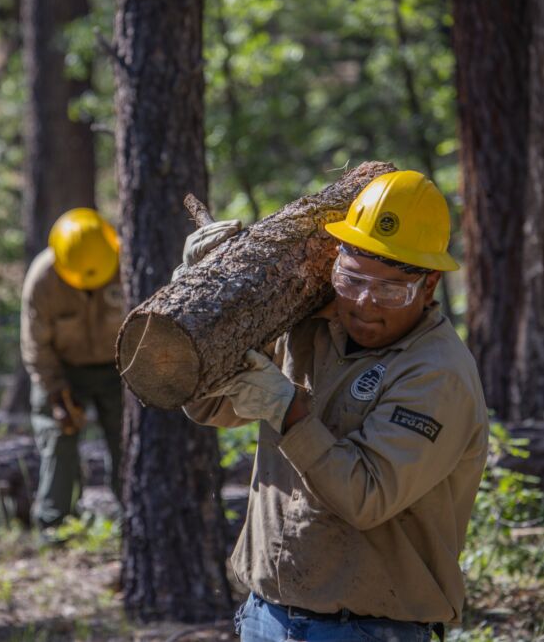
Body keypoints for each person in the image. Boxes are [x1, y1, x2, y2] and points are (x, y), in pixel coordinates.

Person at [182, 170, 489, 641]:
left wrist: (289, 411)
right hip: (266, 614)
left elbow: (366, 498)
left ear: (428, 287)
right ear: (334, 260)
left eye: (390, 290)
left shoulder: (437, 373)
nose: (365, 303)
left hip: (367, 628)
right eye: (352, 278)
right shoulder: (309, 326)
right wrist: (207, 303)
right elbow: (211, 409)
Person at [21, 208, 125, 534]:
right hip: (63, 372)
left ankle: (136, 519)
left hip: (121, 370)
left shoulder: (129, 262)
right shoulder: (42, 279)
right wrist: (55, 393)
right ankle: (55, 526)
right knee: (58, 441)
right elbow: (36, 346)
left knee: (128, 444)